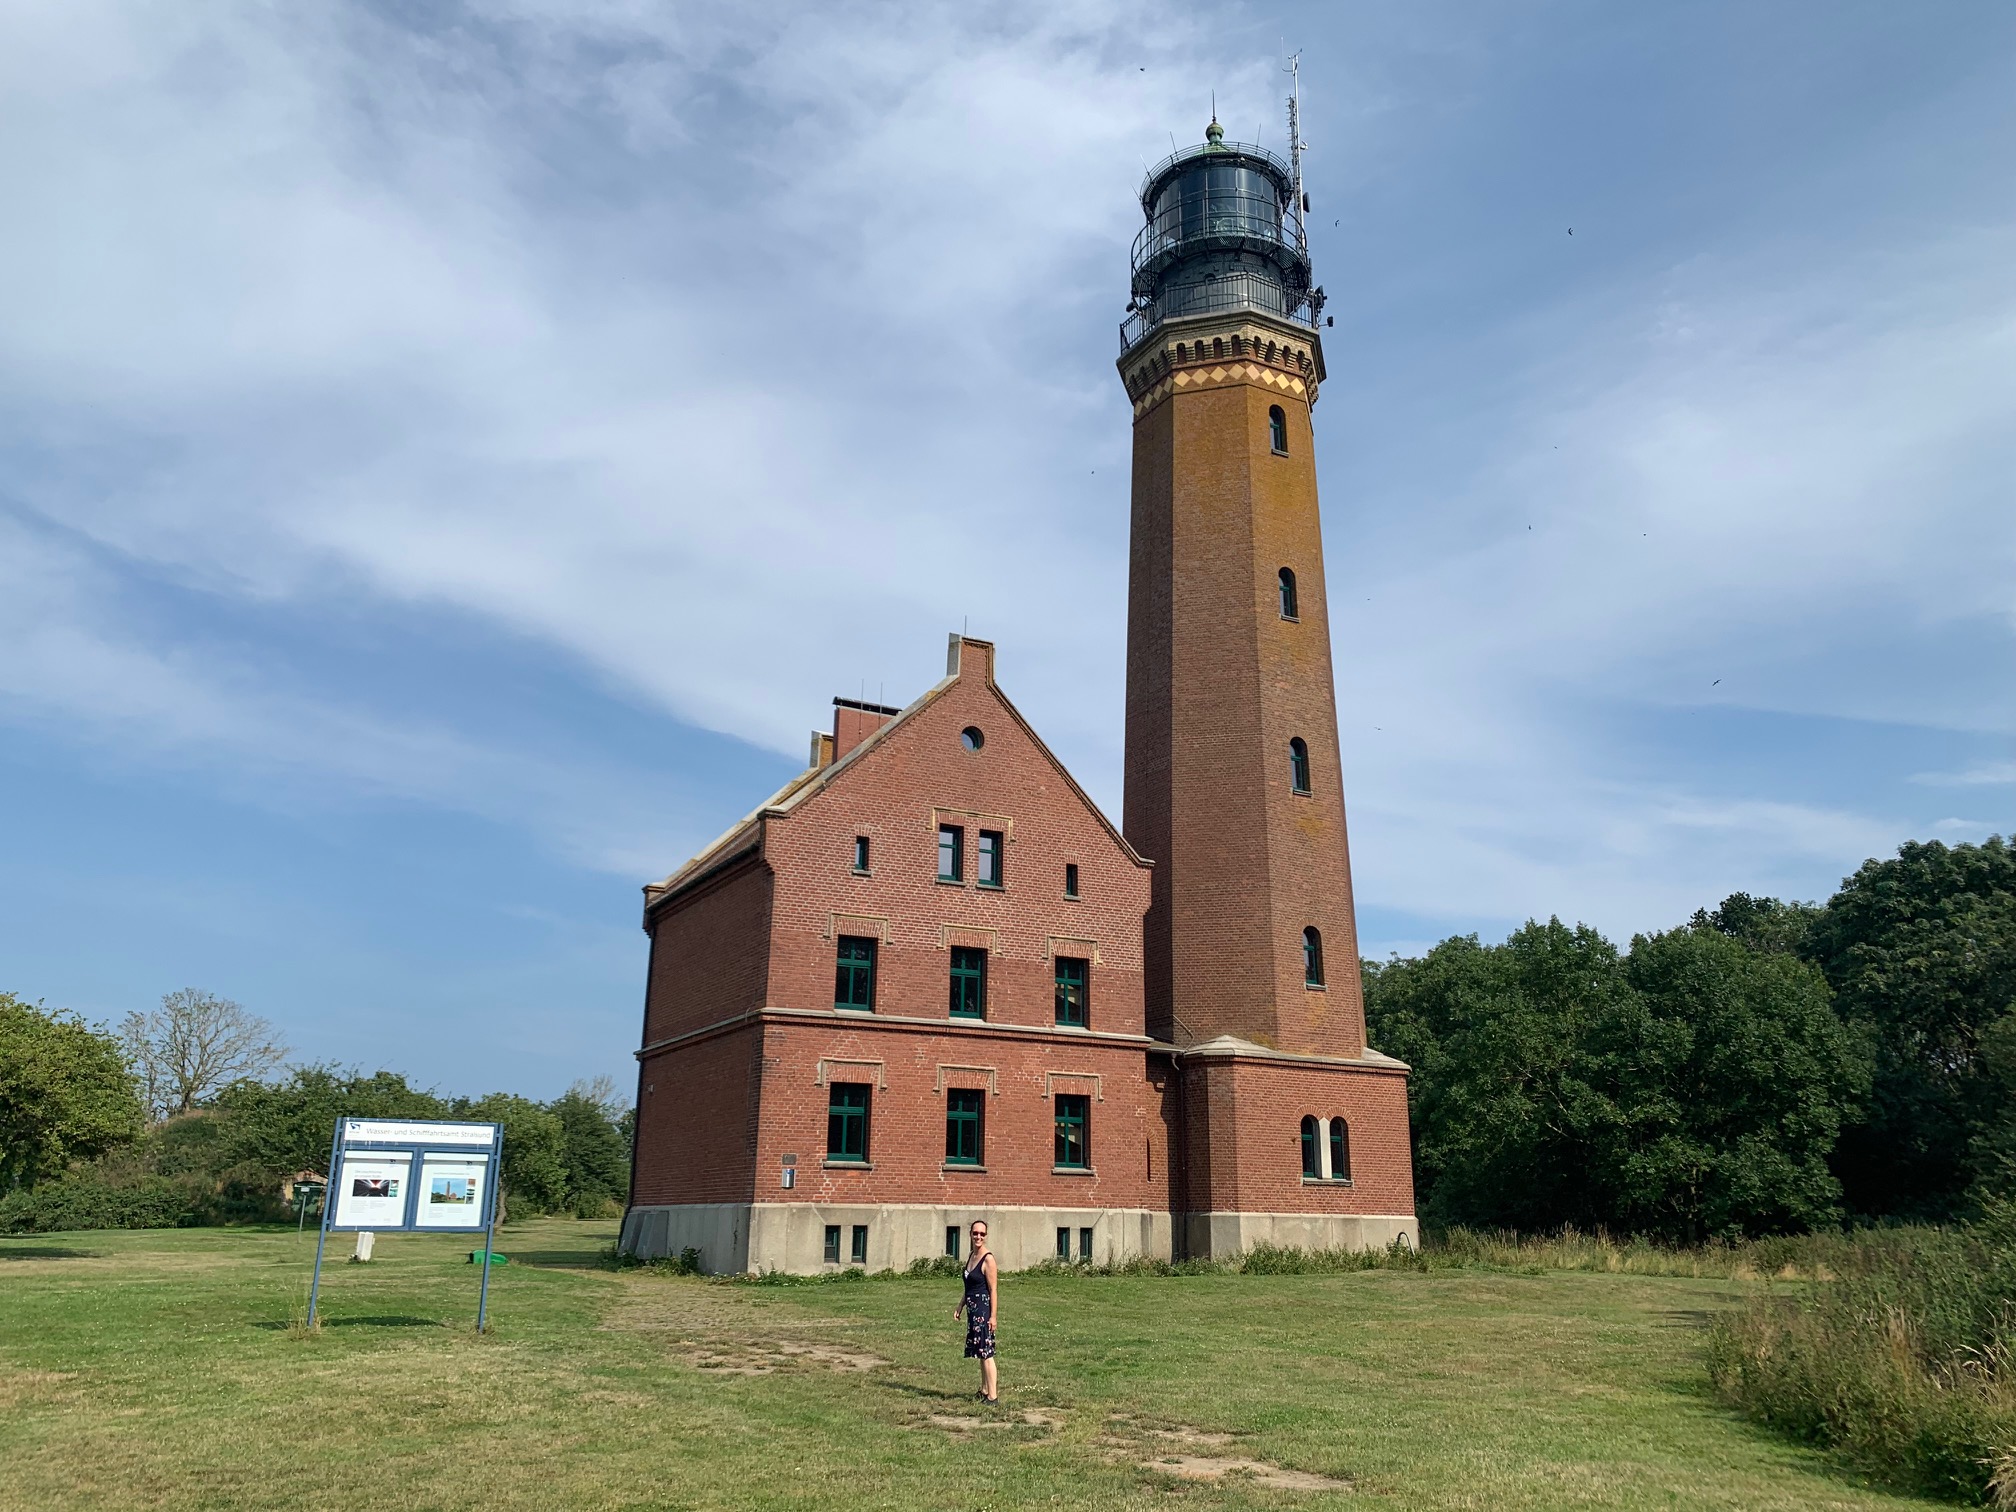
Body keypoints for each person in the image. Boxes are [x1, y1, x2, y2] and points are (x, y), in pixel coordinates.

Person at [952, 1218, 998, 1402]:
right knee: (980, 1352)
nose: (978, 1236)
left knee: (986, 1352)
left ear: (986, 1236)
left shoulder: (988, 1259)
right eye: (975, 1233)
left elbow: (993, 1289)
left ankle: (993, 1396)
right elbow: (969, 1287)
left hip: (983, 1311)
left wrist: (993, 1316)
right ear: (970, 1234)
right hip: (972, 1310)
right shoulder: (972, 1255)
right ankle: (984, 1390)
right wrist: (960, 1305)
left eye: (982, 1234)